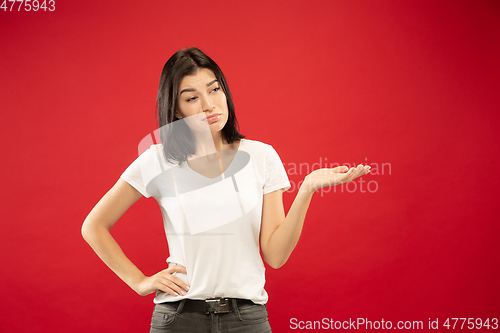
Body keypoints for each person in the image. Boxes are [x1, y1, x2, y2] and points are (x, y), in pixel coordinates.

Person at [81, 47, 370, 332]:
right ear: (176, 108)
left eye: (214, 90)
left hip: (246, 319)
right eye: (192, 98)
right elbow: (93, 226)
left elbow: (276, 255)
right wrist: (139, 281)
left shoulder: (261, 156)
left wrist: (308, 188)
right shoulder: (158, 159)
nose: (208, 104)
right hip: (179, 318)